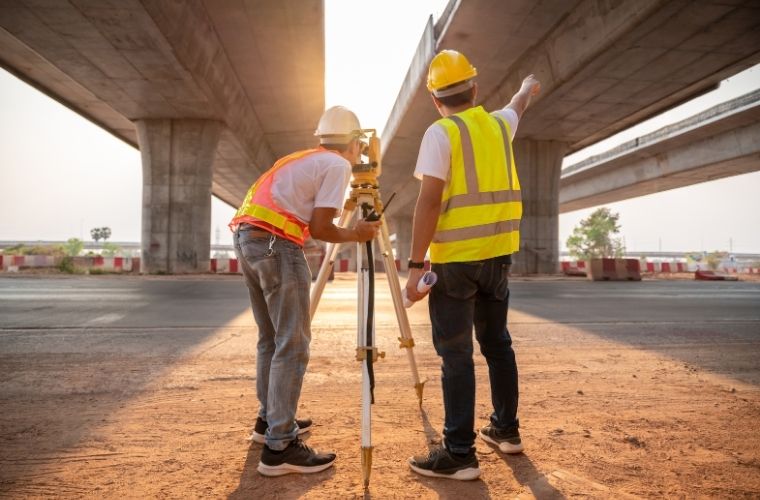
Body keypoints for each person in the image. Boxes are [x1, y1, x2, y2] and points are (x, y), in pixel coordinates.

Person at [404, 50, 540, 480]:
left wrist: (412, 267)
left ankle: (459, 453)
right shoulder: (499, 125)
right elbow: (518, 104)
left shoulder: (441, 132)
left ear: (433, 97)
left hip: (456, 264)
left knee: (456, 354)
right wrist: (525, 87)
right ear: (475, 88)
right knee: (497, 343)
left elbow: (428, 201)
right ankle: (505, 430)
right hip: (498, 258)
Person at [230, 105, 380, 476]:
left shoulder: (302, 159)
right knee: (292, 344)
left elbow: (311, 209)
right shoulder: (338, 165)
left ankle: (270, 422)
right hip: (277, 247)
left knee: (271, 340)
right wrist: (357, 233)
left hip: (248, 241)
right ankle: (280, 448)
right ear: (354, 142)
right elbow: (322, 228)